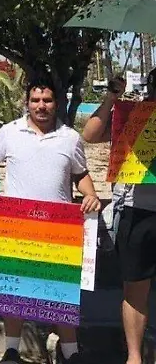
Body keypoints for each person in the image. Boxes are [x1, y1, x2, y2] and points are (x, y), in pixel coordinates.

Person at [0, 76, 101, 364]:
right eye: (35, 100)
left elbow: (81, 174)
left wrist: (91, 195)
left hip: (58, 229)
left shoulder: (70, 137)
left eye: (47, 100)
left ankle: (71, 353)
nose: (41, 106)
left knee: (61, 293)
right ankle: (12, 351)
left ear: (56, 103)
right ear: (27, 102)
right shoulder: (9, 132)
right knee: (14, 292)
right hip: (16, 226)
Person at [82, 70, 156, 364]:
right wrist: (112, 97)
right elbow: (90, 135)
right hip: (135, 211)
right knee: (135, 287)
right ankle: (134, 358)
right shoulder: (131, 114)